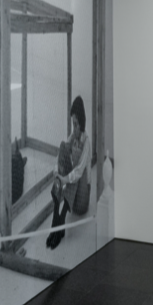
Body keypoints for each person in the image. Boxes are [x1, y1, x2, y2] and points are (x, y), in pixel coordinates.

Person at [47, 96, 88, 249]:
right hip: (72, 196)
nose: (74, 127)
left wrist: (64, 179)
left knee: (75, 172)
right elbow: (61, 155)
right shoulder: (73, 136)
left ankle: (60, 220)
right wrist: (57, 173)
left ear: (81, 123)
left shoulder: (86, 141)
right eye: (73, 124)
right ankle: (56, 218)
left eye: (76, 124)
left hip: (81, 200)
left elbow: (78, 172)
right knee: (63, 146)